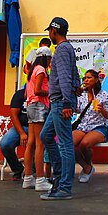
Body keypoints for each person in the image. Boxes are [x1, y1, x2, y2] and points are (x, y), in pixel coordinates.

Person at [40, 16, 80, 201]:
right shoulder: (67, 49)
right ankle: (59, 174)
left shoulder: (62, 50)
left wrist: (66, 103)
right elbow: (74, 73)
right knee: (46, 136)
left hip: (59, 103)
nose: (49, 33)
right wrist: (77, 87)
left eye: (50, 31)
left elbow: (64, 77)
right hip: (59, 101)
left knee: (65, 144)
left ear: (54, 31)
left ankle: (64, 186)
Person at [73, 69, 108, 183]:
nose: (86, 80)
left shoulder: (104, 95)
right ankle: (87, 167)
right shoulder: (82, 95)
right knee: (67, 144)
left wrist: (101, 110)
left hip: (98, 126)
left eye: (89, 78)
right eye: (85, 78)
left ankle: (87, 168)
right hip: (83, 126)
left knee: (85, 144)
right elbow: (77, 109)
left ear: (96, 80)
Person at [21, 53, 52, 191]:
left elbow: (27, 94)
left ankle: (28, 178)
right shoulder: (40, 70)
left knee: (31, 143)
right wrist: (51, 91)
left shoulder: (31, 70)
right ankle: (40, 179)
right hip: (39, 105)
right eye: (50, 58)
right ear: (45, 57)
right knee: (40, 144)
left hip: (30, 105)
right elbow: (38, 90)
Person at [0, 86, 29, 181]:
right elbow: (13, 115)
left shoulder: (44, 95)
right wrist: (22, 133)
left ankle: (32, 171)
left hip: (38, 128)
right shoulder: (20, 95)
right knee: (5, 144)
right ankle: (17, 169)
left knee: (39, 145)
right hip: (21, 127)